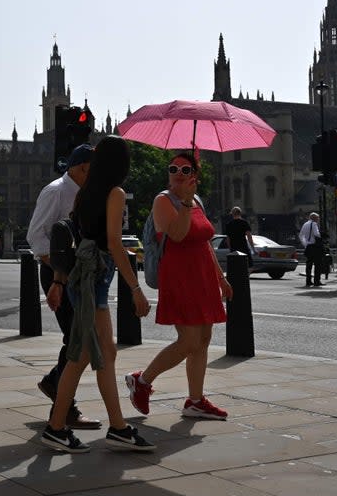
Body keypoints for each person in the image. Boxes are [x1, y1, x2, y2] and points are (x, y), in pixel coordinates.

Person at [43, 135, 153, 453]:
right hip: (95, 280)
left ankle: (116, 427)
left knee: (102, 354)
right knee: (83, 357)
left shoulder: (86, 193)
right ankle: (57, 428)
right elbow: (115, 244)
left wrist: (59, 282)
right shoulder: (114, 193)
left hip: (87, 278)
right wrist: (136, 289)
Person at [126, 151, 233, 422]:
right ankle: (142, 380)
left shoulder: (197, 200)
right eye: (173, 168)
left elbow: (205, 242)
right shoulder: (163, 200)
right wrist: (184, 203)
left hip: (203, 276)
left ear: (194, 176)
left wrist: (220, 277)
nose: (178, 174)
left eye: (185, 170)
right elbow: (176, 234)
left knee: (204, 339)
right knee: (189, 340)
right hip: (179, 276)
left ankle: (195, 401)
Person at [26, 143, 100, 431]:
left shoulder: (83, 193)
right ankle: (64, 406)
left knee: (77, 338)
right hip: (57, 274)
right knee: (76, 339)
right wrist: (60, 271)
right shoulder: (56, 191)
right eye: (93, 172)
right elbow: (36, 237)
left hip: (76, 275)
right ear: (82, 168)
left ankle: (55, 384)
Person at [300, 212, 324, 287]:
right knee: (318, 264)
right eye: (317, 218)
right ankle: (317, 281)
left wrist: (305, 244)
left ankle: (308, 281)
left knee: (309, 265)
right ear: (314, 218)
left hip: (308, 247)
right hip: (315, 247)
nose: (318, 220)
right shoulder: (314, 224)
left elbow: (301, 235)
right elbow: (316, 234)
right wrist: (322, 236)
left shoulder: (305, 224)